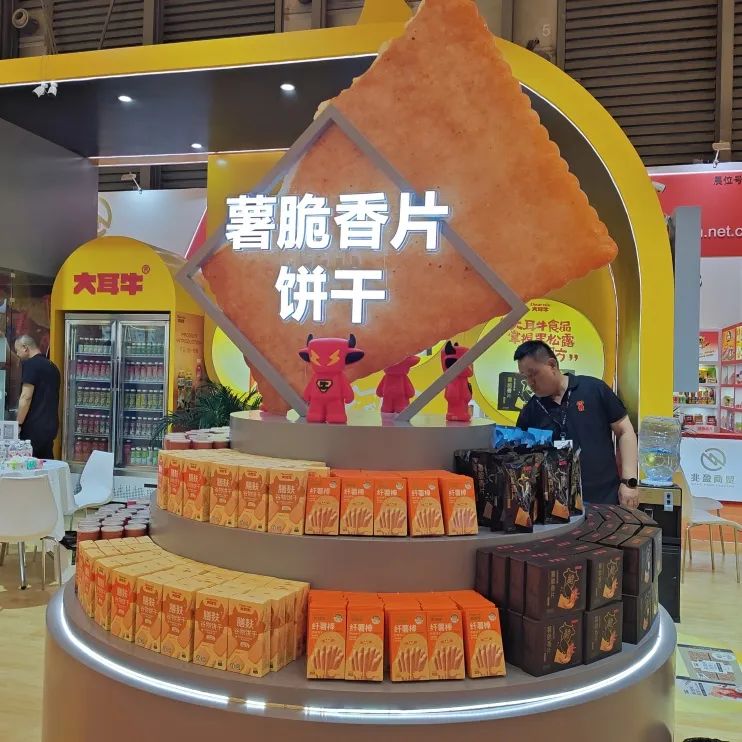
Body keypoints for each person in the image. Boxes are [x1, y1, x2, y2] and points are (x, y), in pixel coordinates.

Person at [513, 340, 639, 507]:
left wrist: (629, 482)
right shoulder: (531, 410)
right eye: (525, 377)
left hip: (604, 497)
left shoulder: (593, 389)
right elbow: (523, 460)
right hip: (555, 505)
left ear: (552, 365)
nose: (530, 382)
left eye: (533, 374)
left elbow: (625, 430)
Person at [14, 334, 60, 459]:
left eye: (17, 350)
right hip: (50, 426)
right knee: (46, 463)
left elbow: (26, 397)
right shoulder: (52, 366)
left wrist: (18, 424)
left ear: (25, 348)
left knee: (29, 464)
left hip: (33, 427)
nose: (17, 354)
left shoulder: (30, 365)